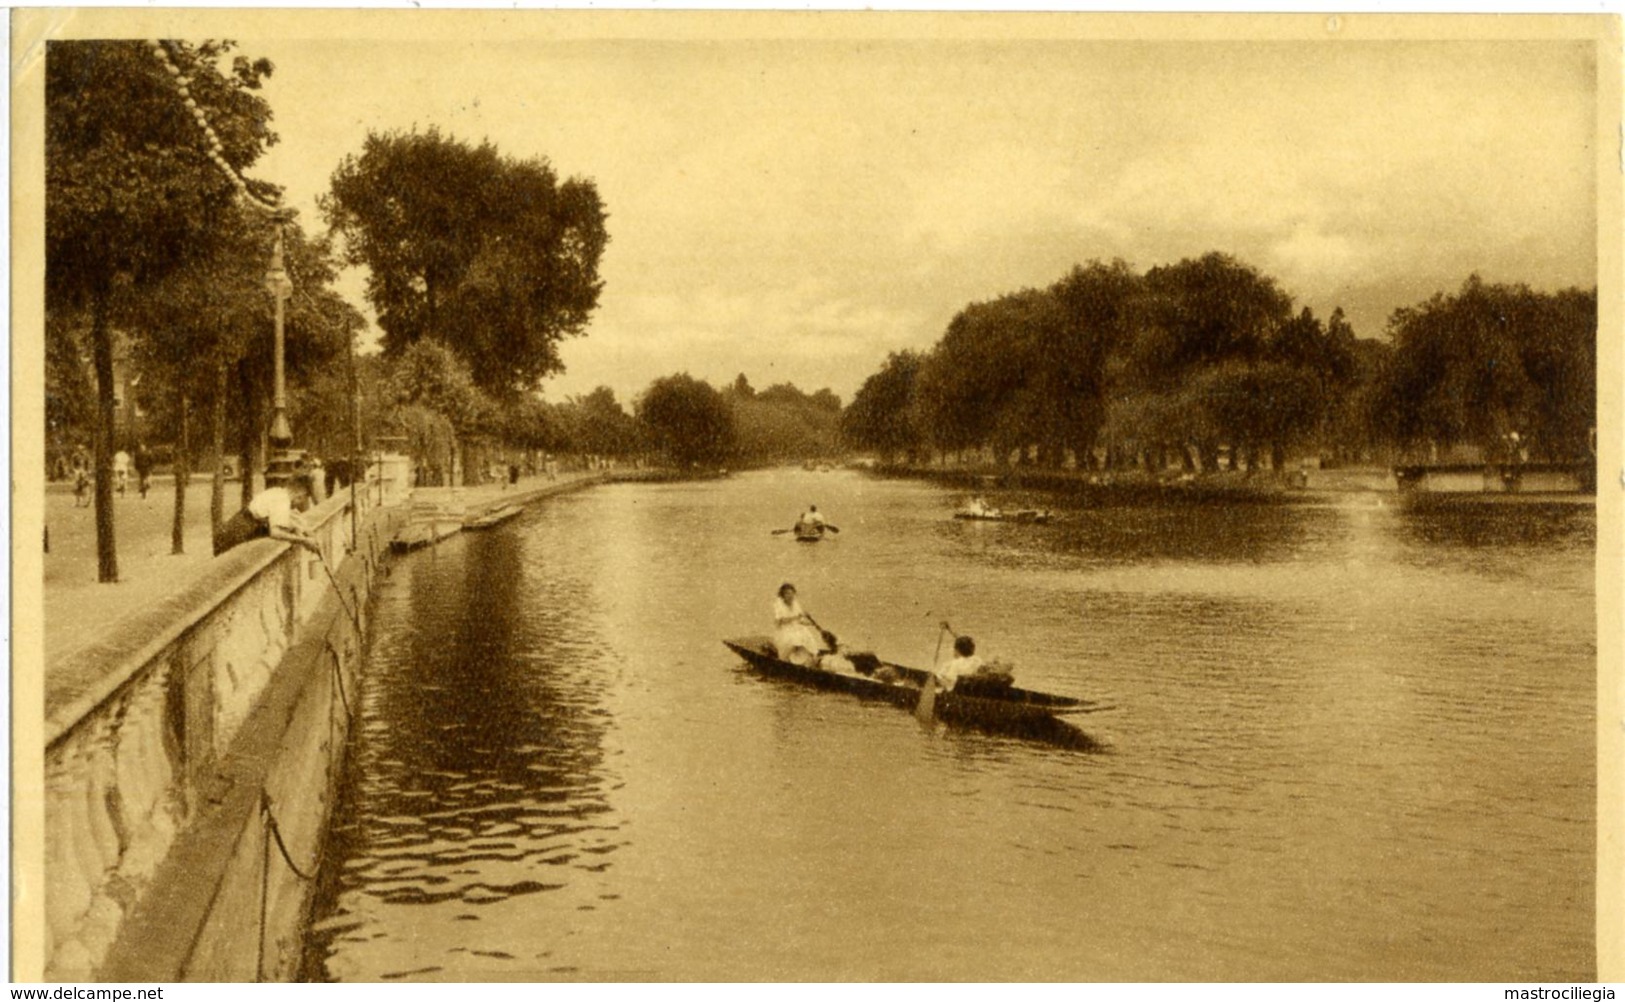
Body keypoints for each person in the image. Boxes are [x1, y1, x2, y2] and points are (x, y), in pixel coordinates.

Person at [213, 470, 323, 557]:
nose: (301, 502)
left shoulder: (278, 492)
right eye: (303, 498)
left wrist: (305, 532)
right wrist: (304, 541)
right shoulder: (282, 500)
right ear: (300, 492)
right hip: (235, 536)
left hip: (229, 531)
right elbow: (275, 533)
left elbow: (292, 519)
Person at [773, 583, 829, 666]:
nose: (790, 596)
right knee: (794, 640)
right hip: (785, 630)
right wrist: (796, 617)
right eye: (787, 593)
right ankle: (790, 660)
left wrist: (810, 623)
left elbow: (799, 621)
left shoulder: (795, 603)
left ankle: (804, 661)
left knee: (808, 637)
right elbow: (781, 621)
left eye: (792, 593)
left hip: (797, 628)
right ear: (782, 595)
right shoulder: (778, 605)